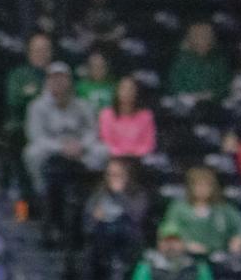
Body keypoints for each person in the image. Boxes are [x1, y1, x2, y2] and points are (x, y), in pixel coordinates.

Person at [22, 62, 106, 259]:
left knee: (102, 151)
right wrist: (61, 147)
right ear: (48, 82)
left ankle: (94, 190)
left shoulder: (82, 105)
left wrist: (81, 146)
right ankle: (42, 192)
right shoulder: (37, 106)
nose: (59, 83)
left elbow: (92, 131)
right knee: (32, 152)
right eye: (54, 78)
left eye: (63, 78)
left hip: (79, 150)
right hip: (52, 150)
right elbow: (36, 135)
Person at [81, 160, 147, 280]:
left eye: (118, 175)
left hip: (128, 244)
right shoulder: (99, 194)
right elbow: (87, 224)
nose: (113, 179)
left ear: (127, 176)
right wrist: (95, 219)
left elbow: (137, 216)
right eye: (110, 175)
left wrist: (119, 195)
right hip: (101, 245)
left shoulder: (137, 194)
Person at [160, 167, 241, 265]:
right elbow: (168, 230)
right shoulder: (178, 208)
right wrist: (186, 244)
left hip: (218, 257)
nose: (203, 189)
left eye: (207, 186)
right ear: (191, 187)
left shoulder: (222, 209)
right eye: (199, 185)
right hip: (188, 258)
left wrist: (239, 237)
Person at [166, 20, 232, 103]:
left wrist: (211, 95)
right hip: (187, 103)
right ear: (190, 38)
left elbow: (225, 86)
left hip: (214, 103)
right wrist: (192, 97)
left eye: (206, 34)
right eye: (198, 35)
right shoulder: (180, 60)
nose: (203, 38)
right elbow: (174, 86)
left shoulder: (219, 60)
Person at [98, 75, 157, 162]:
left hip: (139, 158)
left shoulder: (146, 115)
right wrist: (122, 154)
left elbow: (149, 143)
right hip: (113, 157)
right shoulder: (106, 114)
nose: (127, 92)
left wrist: (133, 154)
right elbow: (106, 141)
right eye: (123, 88)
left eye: (131, 89)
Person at [74, 49, 115, 113]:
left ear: (106, 67)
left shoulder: (113, 86)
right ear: (89, 68)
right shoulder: (80, 87)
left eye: (101, 66)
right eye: (95, 66)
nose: (98, 69)